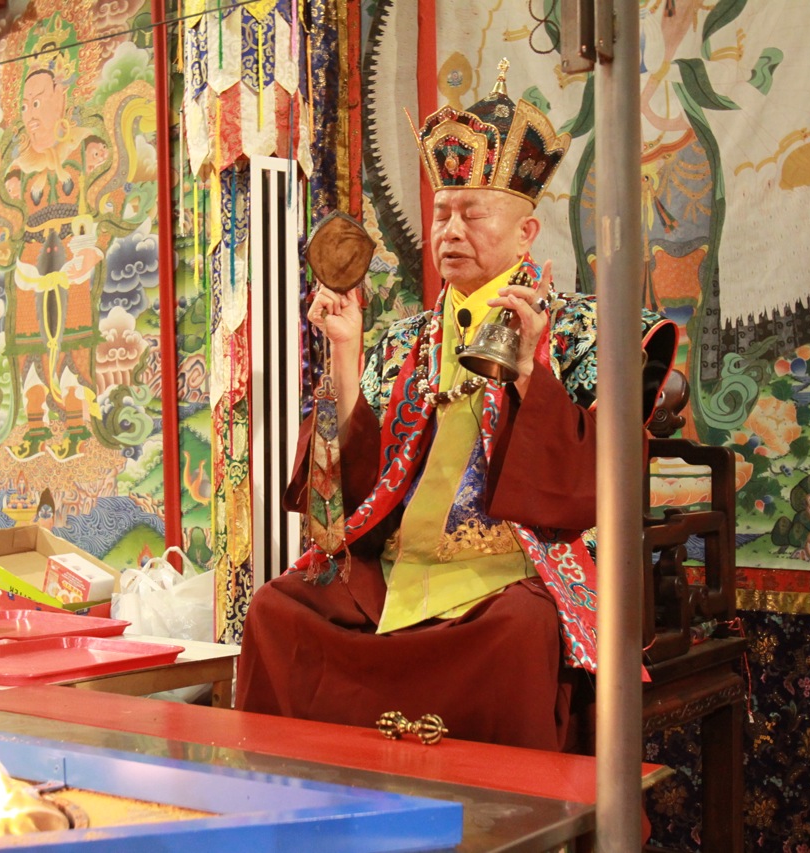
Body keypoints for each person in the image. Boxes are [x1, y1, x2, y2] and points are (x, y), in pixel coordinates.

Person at [234, 61, 678, 750]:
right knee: (275, 609)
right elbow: (345, 496)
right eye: (442, 213)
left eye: (473, 214)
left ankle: (501, 807)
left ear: (526, 234)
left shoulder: (589, 330)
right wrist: (345, 358)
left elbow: (597, 485)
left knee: (518, 635)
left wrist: (531, 375)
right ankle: (306, 792)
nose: (450, 231)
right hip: (397, 567)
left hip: (515, 573)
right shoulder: (404, 340)